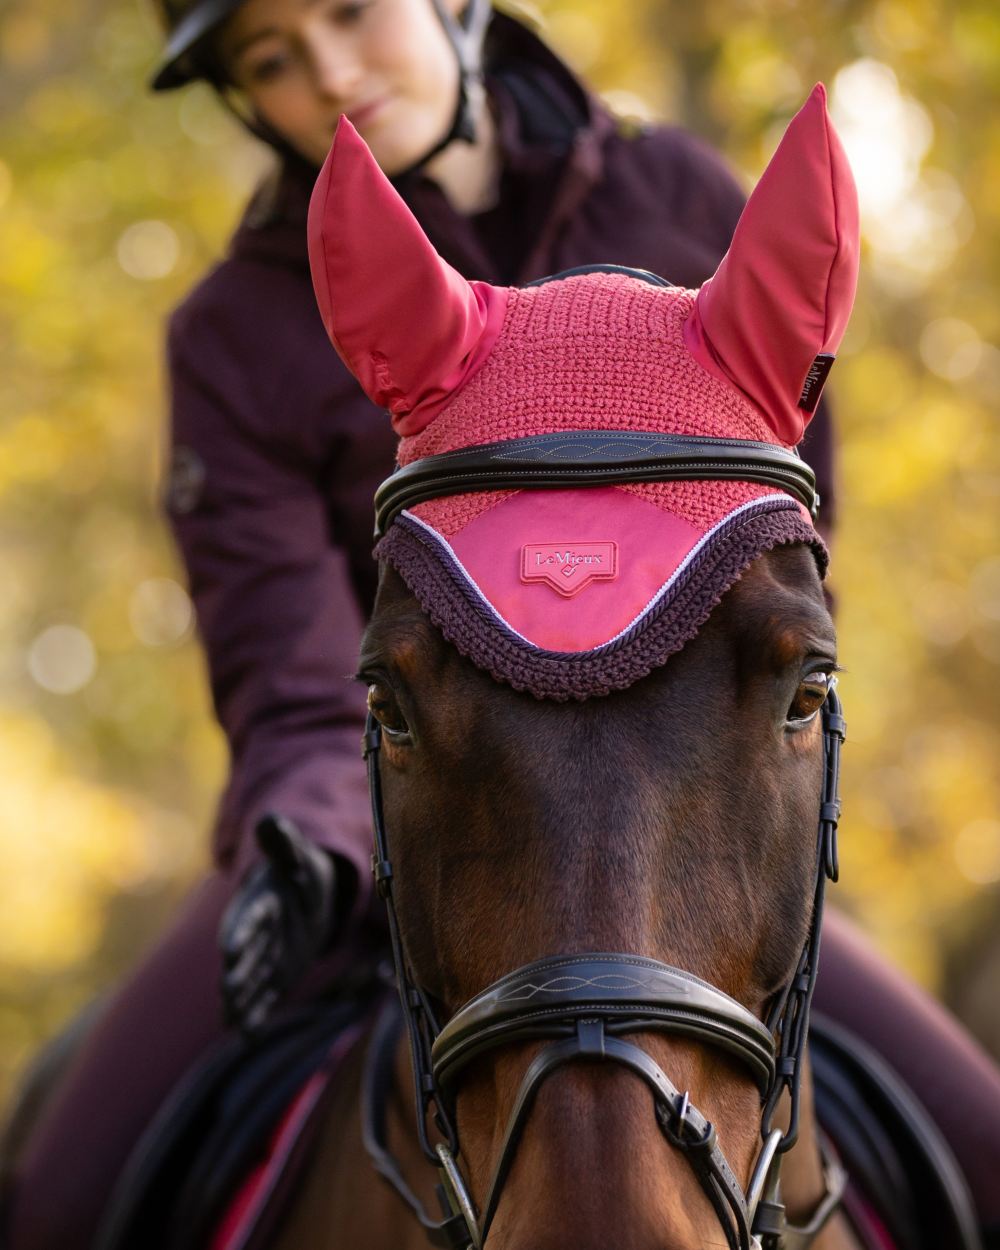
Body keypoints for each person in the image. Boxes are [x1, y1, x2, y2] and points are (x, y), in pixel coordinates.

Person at [4, 1, 999, 1247]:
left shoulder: (683, 198)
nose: (328, 71)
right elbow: (291, 671)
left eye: (353, 11)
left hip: (675, 838)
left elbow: (787, 577)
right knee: (60, 1198)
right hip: (381, 817)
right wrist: (305, 839)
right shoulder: (231, 338)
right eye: (269, 58)